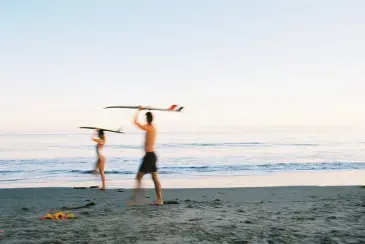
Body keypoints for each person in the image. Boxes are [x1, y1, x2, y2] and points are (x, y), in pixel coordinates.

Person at [130, 107, 163, 205]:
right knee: (154, 178)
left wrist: (138, 111)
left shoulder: (149, 128)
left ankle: (137, 200)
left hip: (149, 156)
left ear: (147, 119)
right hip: (152, 156)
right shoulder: (152, 128)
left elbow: (135, 122)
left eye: (146, 118)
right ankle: (159, 200)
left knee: (138, 177)